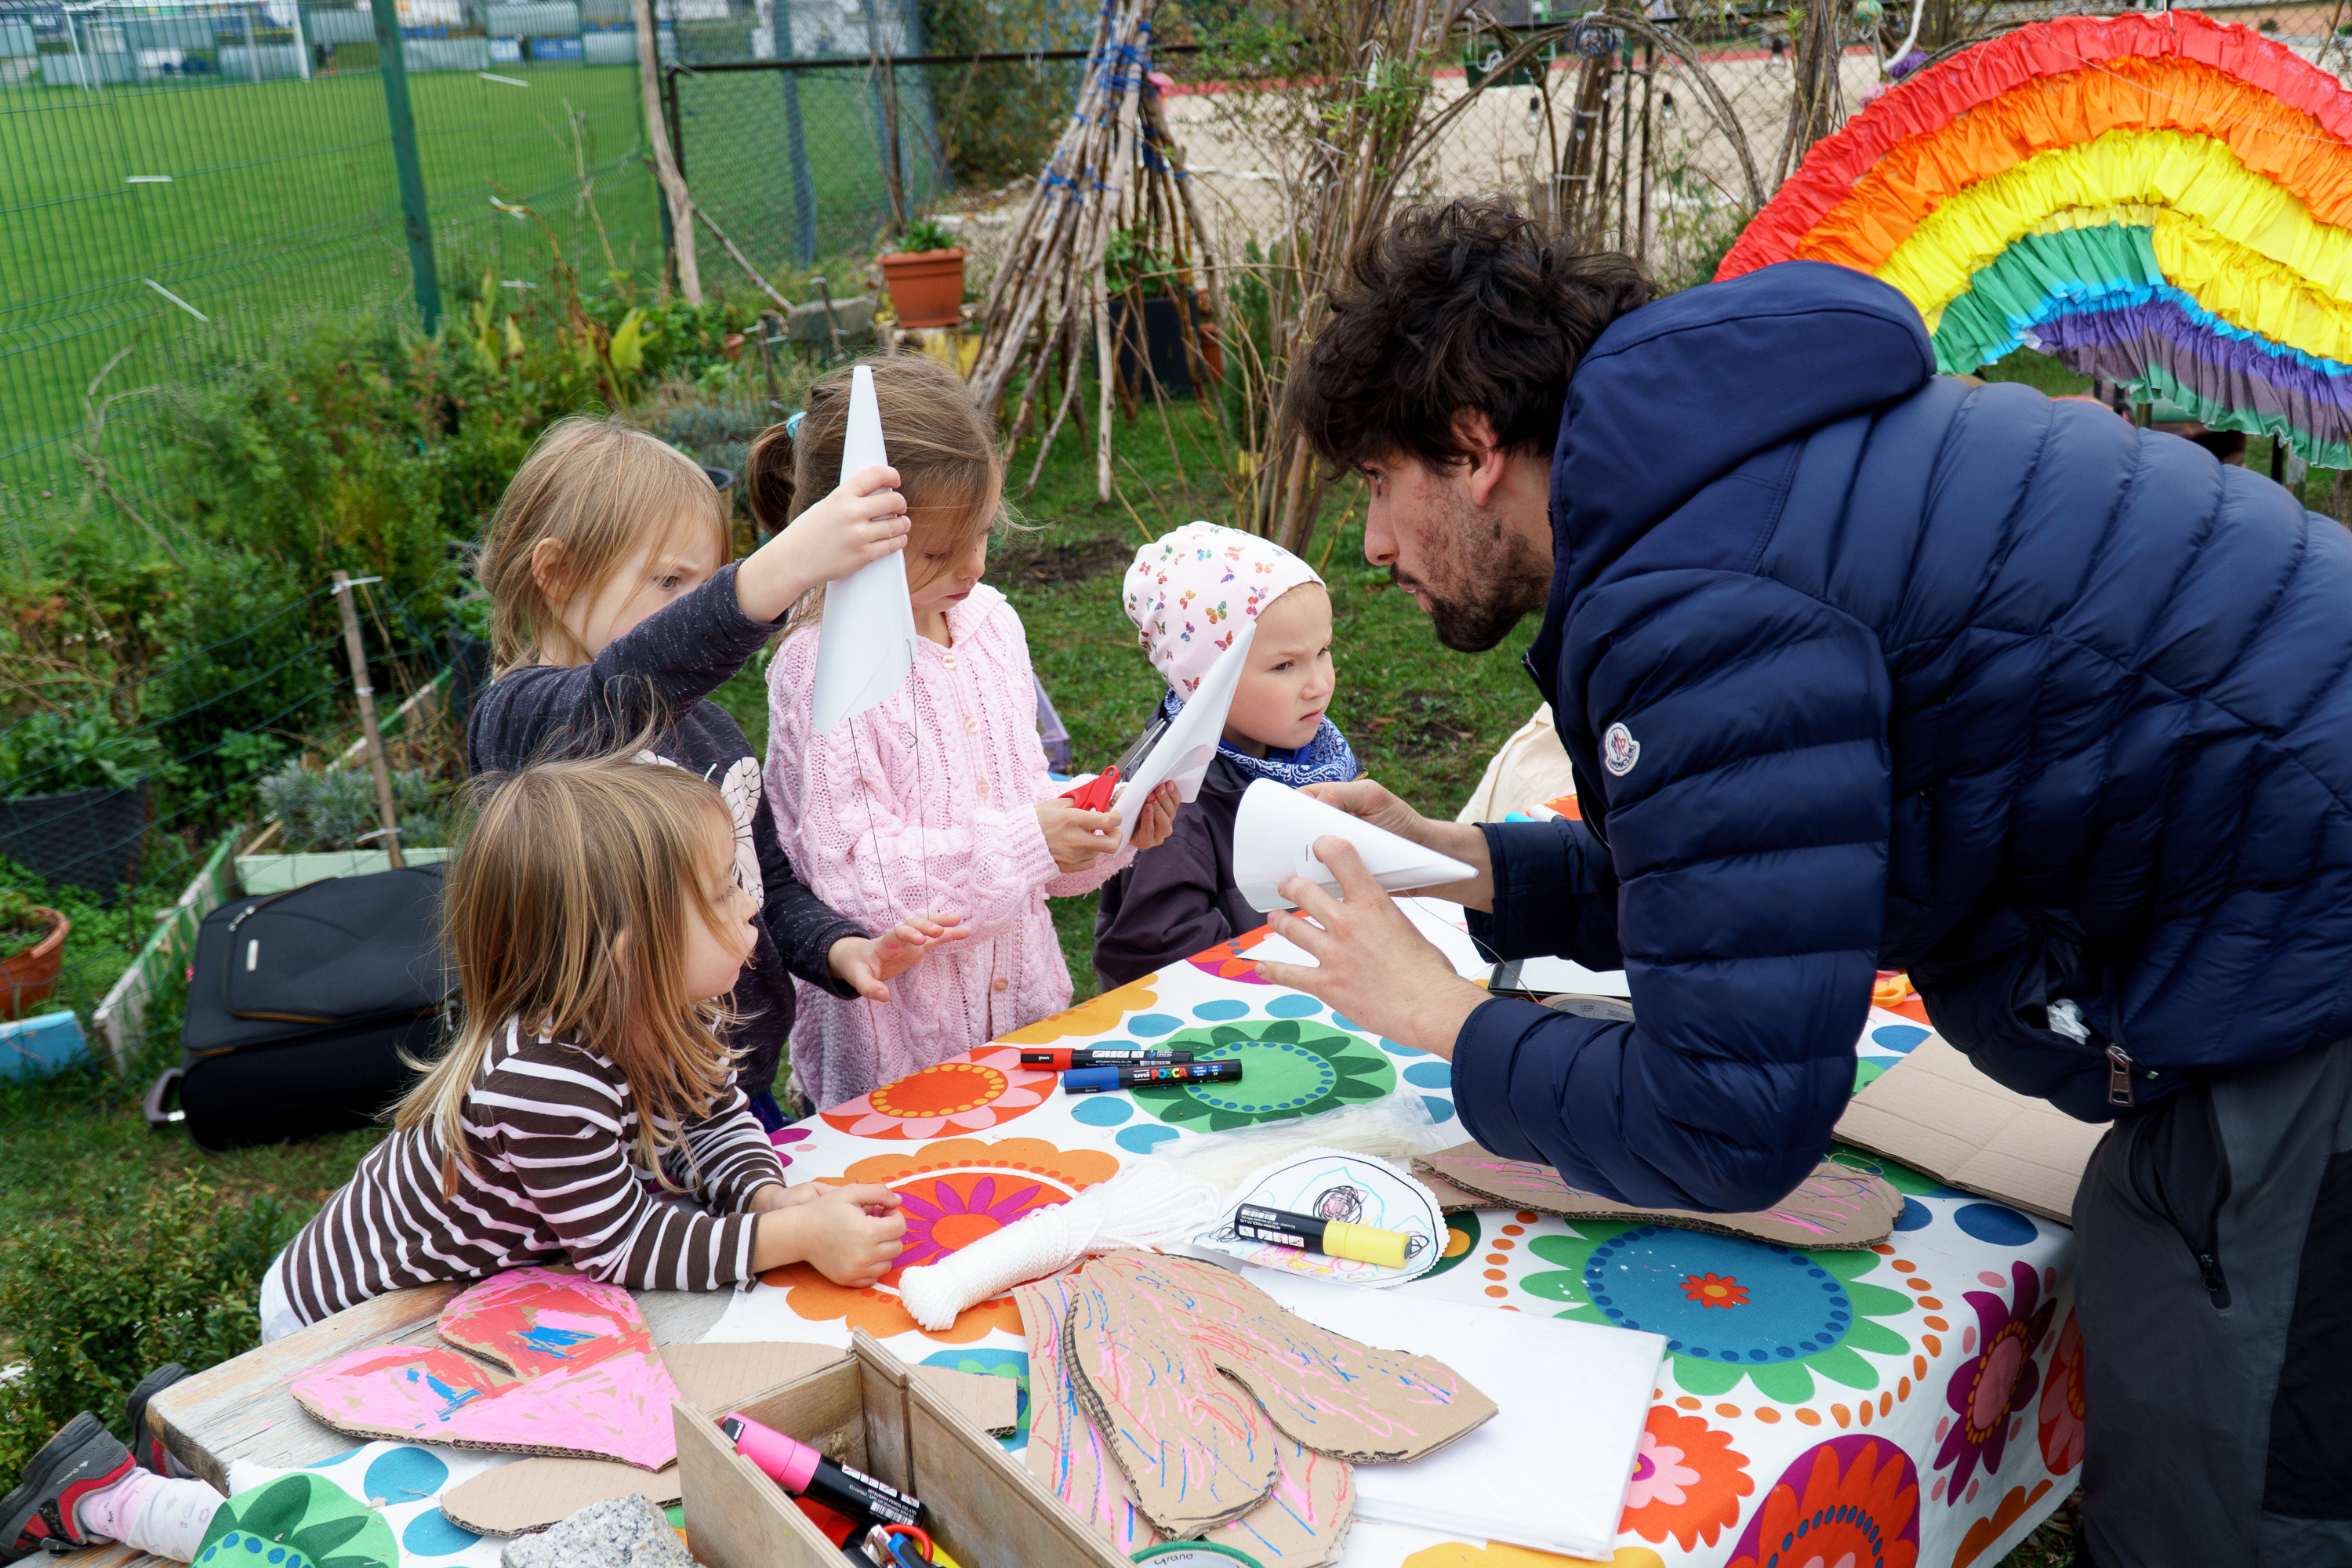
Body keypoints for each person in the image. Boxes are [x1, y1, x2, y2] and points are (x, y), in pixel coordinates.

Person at [1255, 196, 2352, 1565]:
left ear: (1474, 448)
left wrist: (1440, 1015)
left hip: (2313, 947)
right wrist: (1469, 865)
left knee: (2235, 1494)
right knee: (2151, 1256)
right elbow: (1755, 877)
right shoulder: (1744, 477)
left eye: (1376, 481)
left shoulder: (1701, 590)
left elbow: (1730, 1120)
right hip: (2280, 886)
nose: (1372, 542)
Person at [4, 758, 909, 1563]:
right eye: (722, 888)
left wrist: (765, 1194)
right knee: (355, 1503)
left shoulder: (662, 996)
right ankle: (165, 1463)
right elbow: (622, 1244)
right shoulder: (544, 1073)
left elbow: (712, 1112)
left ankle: (178, 1435)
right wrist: (791, 1239)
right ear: (629, 946)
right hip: (357, 1305)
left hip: (471, 1283)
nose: (750, 901)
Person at [469, 416, 966, 1127]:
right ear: (557, 575)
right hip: (606, 1121)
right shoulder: (527, 722)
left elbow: (766, 884)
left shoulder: (713, 734)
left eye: (703, 586)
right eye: (669, 582)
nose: (692, 609)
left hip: (735, 1097)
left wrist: (838, 947)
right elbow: (620, 688)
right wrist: (783, 567)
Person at [759, 357, 1181, 1109]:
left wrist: (1105, 831)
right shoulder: (818, 667)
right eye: (937, 553)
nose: (974, 567)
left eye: (982, 534)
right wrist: (1032, 840)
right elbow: (855, 880)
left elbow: (1029, 828)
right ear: (850, 535)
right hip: (900, 1068)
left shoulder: (991, 625)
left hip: (1027, 1023)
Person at [1094, 521, 1358, 985]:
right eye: (1285, 665)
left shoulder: (1317, 757)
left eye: (1323, 651)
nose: (1319, 684)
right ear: (1209, 683)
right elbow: (1158, 954)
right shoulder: (1174, 805)